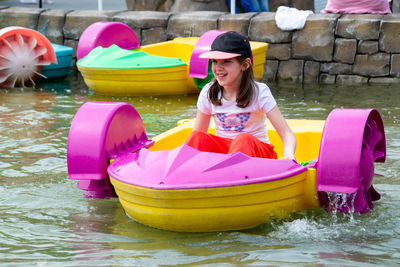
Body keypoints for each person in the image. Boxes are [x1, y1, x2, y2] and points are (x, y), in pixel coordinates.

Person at [185, 31, 296, 160]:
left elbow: (287, 134)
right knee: (197, 136)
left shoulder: (260, 92)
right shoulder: (208, 92)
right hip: (226, 155)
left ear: (244, 65)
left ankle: (231, 172)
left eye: (226, 62)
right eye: (215, 61)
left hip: (258, 155)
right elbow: (198, 136)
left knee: (243, 139)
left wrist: (289, 154)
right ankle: (180, 172)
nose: (218, 68)